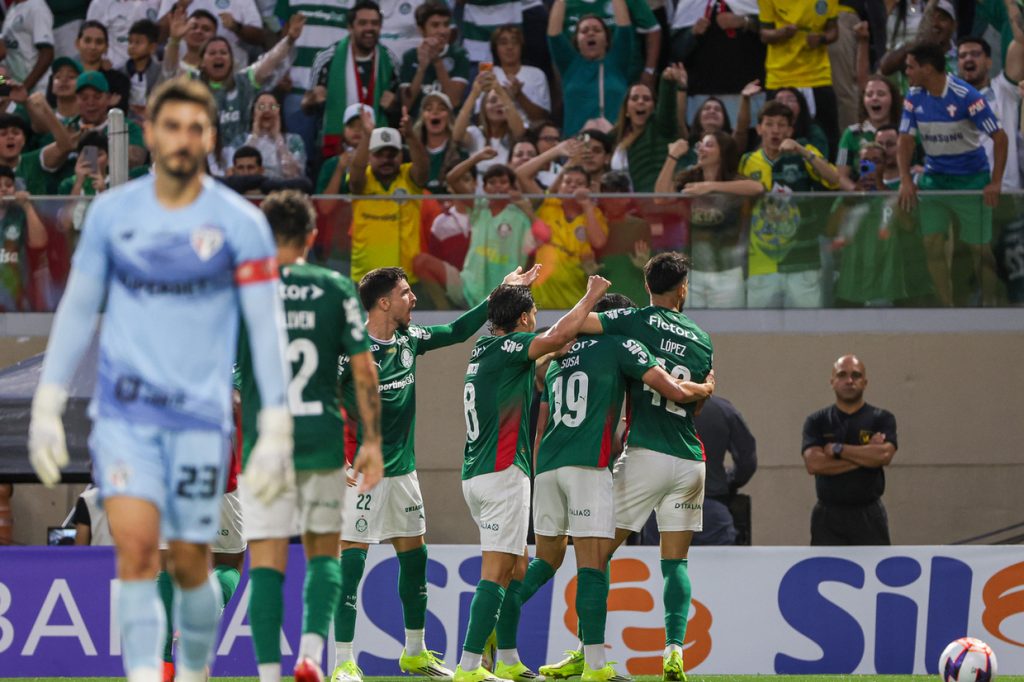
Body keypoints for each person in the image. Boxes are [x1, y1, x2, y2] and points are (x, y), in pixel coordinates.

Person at [26, 78, 293, 682]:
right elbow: (78, 307)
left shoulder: (241, 223)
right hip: (128, 417)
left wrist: (275, 423)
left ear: (210, 137)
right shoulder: (114, 214)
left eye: (195, 127)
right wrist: (47, 400)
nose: (182, 139)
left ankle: (190, 664)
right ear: (150, 133)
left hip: (200, 422)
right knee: (139, 557)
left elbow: (266, 327)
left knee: (197, 565)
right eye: (171, 126)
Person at [330, 264, 540, 682]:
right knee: (351, 565)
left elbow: (458, 331)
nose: (414, 299)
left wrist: (500, 292)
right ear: (383, 302)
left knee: (416, 559)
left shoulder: (409, 339)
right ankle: (342, 662)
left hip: (404, 472)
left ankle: (414, 652)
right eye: (405, 293)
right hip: (361, 473)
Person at [538, 252, 713, 682]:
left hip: (645, 454)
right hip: (690, 459)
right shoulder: (702, 338)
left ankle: (587, 653)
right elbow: (697, 403)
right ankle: (674, 651)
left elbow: (575, 328)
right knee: (676, 562)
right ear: (683, 288)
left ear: (647, 286)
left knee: (595, 555)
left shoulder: (634, 320)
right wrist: (702, 387)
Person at [234, 190, 383, 682]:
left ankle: (267, 675)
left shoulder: (243, 286)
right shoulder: (335, 287)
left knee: (266, 562)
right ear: (313, 236)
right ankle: (312, 657)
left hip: (263, 444)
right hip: (321, 439)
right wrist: (372, 441)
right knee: (324, 551)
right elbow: (364, 370)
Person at [455, 274, 610, 682]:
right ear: (524, 319)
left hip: (477, 473)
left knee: (519, 568)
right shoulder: (514, 346)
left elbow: (534, 357)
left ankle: (507, 658)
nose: (536, 321)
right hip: (503, 472)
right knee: (496, 572)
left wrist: (548, 354)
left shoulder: (484, 348)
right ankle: (469, 666)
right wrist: (590, 297)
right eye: (534, 314)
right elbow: (557, 335)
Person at [897, 41, 1007, 307]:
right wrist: (905, 180)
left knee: (979, 249)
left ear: (927, 68)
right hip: (935, 179)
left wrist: (995, 182)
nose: (906, 72)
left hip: (971, 180)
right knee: (932, 243)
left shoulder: (967, 96)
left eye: (910, 67)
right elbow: (905, 140)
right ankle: (947, 308)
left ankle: (989, 304)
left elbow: (1000, 138)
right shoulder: (913, 96)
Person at [739, 100, 840, 308]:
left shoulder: (805, 153)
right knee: (758, 326)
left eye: (782, 124)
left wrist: (801, 150)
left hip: (803, 260)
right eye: (769, 124)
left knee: (807, 324)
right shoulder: (747, 161)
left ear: (790, 130)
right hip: (762, 262)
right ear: (759, 129)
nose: (775, 130)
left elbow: (834, 179)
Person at [164, 10, 304, 156]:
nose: (218, 56)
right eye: (212, 53)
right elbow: (170, 71)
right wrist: (174, 41)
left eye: (223, 53)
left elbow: (271, 59)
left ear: (231, 60)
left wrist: (289, 40)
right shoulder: (192, 82)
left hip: (242, 159)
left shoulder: (245, 81)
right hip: (202, 156)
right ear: (202, 62)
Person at [415, 154, 544, 308]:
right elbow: (452, 179)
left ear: (511, 188)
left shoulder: (520, 216)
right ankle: (445, 315)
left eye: (503, 182)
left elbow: (541, 241)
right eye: (492, 182)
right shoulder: (478, 208)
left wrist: (528, 211)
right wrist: (478, 157)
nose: (497, 186)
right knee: (421, 262)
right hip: (469, 287)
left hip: (505, 295)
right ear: (484, 188)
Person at [654, 133, 763, 308]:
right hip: (691, 274)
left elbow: (757, 188)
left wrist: (710, 187)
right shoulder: (690, 178)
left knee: (730, 325)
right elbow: (660, 198)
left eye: (709, 145)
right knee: (690, 325)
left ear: (723, 152)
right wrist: (672, 156)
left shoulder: (733, 182)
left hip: (727, 274)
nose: (701, 149)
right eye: (700, 145)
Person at [801, 354, 897, 545]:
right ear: (832, 382)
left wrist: (838, 449)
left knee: (873, 565)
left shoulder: (881, 418)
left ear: (865, 382)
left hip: (869, 515)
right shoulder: (817, 421)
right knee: (826, 565)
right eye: (842, 375)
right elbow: (814, 464)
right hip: (828, 517)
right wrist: (867, 456)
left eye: (856, 375)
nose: (849, 380)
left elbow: (884, 455)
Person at [303, 0, 400, 159]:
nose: (369, 28)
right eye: (363, 23)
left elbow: (398, 110)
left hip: (377, 149)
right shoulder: (326, 58)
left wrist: (394, 106)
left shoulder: (390, 60)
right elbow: (307, 107)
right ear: (350, 27)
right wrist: (311, 100)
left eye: (374, 23)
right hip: (336, 149)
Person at [349, 108, 429, 284]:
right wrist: (367, 136)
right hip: (365, 277)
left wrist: (410, 136)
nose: (386, 160)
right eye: (379, 154)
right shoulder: (363, 179)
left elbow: (423, 170)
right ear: (369, 156)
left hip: (404, 278)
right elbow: (355, 175)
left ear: (401, 155)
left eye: (392, 155)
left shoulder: (408, 177)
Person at [758, 0, 840, 157]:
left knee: (828, 137)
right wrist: (782, 33)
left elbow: (833, 31)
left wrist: (821, 39)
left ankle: (826, 171)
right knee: (773, 136)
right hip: (780, 77)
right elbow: (764, 34)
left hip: (817, 77)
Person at [547, 0, 633, 137]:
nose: (590, 33)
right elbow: (554, 34)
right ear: (577, 41)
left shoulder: (617, 62)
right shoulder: (570, 65)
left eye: (597, 30)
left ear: (607, 40)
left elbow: (624, 28)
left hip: (614, 142)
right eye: (584, 31)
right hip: (575, 144)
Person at [956, 35, 1022, 191]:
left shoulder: (1004, 90)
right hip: (965, 191)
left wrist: (1013, 17)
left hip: (1004, 190)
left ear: (989, 62)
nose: (968, 58)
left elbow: (1020, 42)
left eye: (975, 54)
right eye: (963, 56)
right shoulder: (949, 99)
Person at [610, 64, 686, 192]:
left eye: (646, 99)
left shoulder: (662, 127)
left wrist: (667, 81)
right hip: (641, 202)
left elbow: (668, 106)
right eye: (635, 98)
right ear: (626, 111)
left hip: (669, 199)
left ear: (654, 108)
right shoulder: (619, 139)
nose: (640, 102)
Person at [691, 396, 756, 546]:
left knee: (657, 559)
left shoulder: (650, 409)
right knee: (718, 560)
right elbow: (747, 462)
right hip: (710, 508)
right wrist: (730, 482)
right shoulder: (723, 410)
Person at [453, 70, 526, 184]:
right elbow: (456, 136)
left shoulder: (514, 134)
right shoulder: (475, 134)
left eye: (503, 100)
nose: (499, 104)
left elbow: (520, 132)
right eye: (493, 101)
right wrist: (474, 94)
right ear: (483, 108)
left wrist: (500, 90)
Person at [399, 0, 470, 116]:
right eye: (435, 25)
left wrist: (437, 62)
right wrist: (421, 68)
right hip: (418, 123)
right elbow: (407, 105)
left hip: (450, 123)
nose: (443, 31)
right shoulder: (410, 57)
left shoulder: (459, 55)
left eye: (446, 25)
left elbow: (454, 101)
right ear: (421, 30)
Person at [158, 0, 265, 68]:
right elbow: (158, 36)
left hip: (227, 58)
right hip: (180, 54)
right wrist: (180, 5)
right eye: (195, 27)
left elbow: (258, 37)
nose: (199, 31)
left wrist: (236, 27)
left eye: (204, 29)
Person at [836, 74, 902, 183]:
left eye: (881, 94)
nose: (874, 98)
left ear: (892, 99)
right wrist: (858, 191)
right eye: (869, 94)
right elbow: (841, 177)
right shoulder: (851, 134)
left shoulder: (907, 130)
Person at [0, 164, 47, 311]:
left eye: (8, 185)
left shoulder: (20, 214)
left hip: (17, 300)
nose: (3, 189)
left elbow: (39, 243)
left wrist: (27, 206)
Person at [488, 25, 552, 128]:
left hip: (530, 131)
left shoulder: (537, 74)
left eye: (515, 42)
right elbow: (479, 115)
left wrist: (519, 95)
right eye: (503, 43)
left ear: (521, 46)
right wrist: (501, 95)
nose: (510, 47)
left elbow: (541, 118)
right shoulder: (489, 73)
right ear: (495, 48)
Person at [239, 91, 307, 179]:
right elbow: (240, 174)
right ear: (253, 113)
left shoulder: (294, 140)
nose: (267, 110)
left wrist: (278, 138)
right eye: (261, 106)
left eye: (273, 107)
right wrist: (254, 136)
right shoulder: (240, 140)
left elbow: (294, 176)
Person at [85, 0, 161, 69]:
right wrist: (102, 62)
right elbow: (89, 39)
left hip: (151, 69)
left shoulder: (155, 2)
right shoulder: (100, 3)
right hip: (117, 70)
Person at [1, 0, 55, 94]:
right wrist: (3, 87)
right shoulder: (13, 8)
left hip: (38, 89)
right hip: (16, 89)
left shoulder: (37, 7)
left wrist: (25, 88)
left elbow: (47, 53)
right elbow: (4, 59)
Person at [123, 20, 163, 123]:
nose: (132, 46)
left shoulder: (160, 72)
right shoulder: (120, 72)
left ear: (152, 47)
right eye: (130, 42)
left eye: (138, 42)